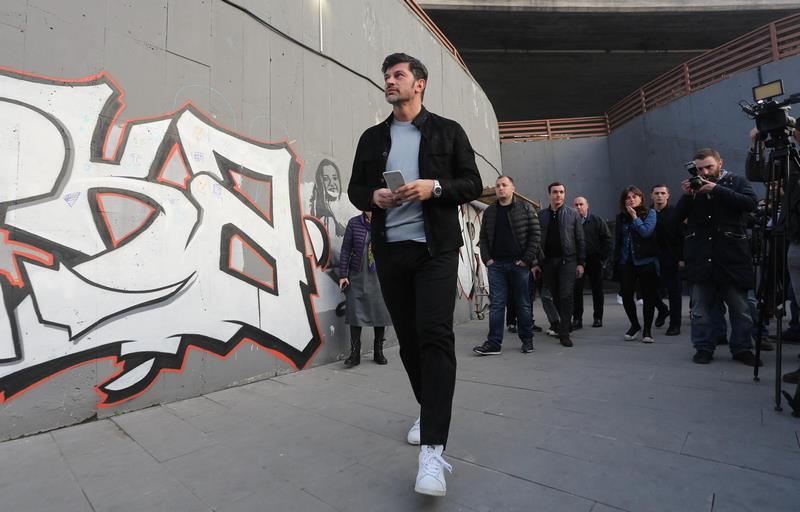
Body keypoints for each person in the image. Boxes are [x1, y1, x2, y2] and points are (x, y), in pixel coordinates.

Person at [347, 52, 482, 496]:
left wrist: (434, 187)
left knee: (435, 335)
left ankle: (433, 452)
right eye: (386, 75)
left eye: (398, 75)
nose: (389, 80)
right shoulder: (372, 138)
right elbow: (355, 190)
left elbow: (472, 183)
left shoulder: (448, 131)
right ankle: (430, 409)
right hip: (391, 252)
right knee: (408, 340)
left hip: (435, 250)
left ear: (419, 83)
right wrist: (375, 197)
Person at [675, 148, 761, 366]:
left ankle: (742, 348)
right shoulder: (694, 188)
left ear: (720, 163)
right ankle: (703, 347)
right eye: (700, 169)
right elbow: (675, 219)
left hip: (732, 258)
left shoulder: (736, 181)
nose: (704, 172)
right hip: (701, 258)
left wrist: (717, 189)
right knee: (700, 311)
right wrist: (687, 196)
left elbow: (751, 203)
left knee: (741, 310)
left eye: (709, 167)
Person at [474, 176, 541, 355]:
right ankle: (494, 344)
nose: (500, 188)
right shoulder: (490, 211)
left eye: (504, 185)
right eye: (498, 186)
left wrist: (526, 260)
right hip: (496, 265)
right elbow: (483, 237)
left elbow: (535, 235)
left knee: (523, 304)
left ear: (513, 188)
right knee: (497, 305)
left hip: (519, 265)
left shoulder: (525, 208)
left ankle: (527, 340)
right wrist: (487, 259)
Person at [532, 183, 585, 347]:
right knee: (555, 296)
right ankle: (566, 323)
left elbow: (580, 239)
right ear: (549, 195)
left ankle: (564, 333)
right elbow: (535, 241)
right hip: (548, 262)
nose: (558, 195)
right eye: (555, 192)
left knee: (566, 295)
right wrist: (535, 263)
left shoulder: (573, 214)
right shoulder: (541, 216)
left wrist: (581, 263)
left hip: (568, 261)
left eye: (561, 192)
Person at [339, 211, 392, 367]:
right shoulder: (354, 222)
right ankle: (355, 354)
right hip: (357, 275)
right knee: (355, 313)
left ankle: (378, 352)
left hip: (380, 276)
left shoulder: (386, 221)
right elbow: (346, 250)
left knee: (380, 312)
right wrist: (343, 274)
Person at [614, 186, 660, 343]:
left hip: (645, 261)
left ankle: (647, 330)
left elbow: (646, 232)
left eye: (635, 196)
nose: (631, 199)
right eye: (628, 197)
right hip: (626, 262)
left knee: (648, 296)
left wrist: (635, 218)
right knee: (626, 295)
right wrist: (616, 260)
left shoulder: (650, 213)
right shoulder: (621, 217)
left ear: (641, 198)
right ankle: (635, 325)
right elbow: (618, 241)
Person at [571, 196, 611, 329]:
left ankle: (598, 318)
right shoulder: (571, 222)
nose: (578, 207)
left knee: (597, 289)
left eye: (581, 204)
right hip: (577, 261)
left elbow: (607, 239)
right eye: (576, 205)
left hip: (594, 259)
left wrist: (602, 258)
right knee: (577, 290)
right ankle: (577, 319)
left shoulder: (596, 221)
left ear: (587, 205)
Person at [651, 185, 684, 335]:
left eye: (662, 193)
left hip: (672, 258)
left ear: (668, 195)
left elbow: (682, 236)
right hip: (652, 259)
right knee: (648, 290)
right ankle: (662, 309)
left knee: (674, 293)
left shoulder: (675, 213)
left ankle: (675, 324)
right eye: (656, 193)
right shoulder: (648, 213)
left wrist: (682, 258)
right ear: (651, 195)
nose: (659, 196)